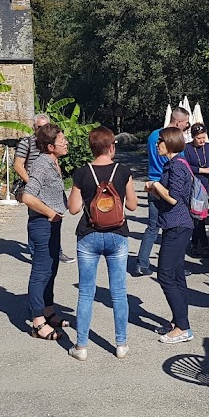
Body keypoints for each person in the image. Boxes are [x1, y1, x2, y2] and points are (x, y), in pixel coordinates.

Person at [65, 126, 138, 361]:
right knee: (118, 292)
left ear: (92, 148)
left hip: (89, 234)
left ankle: (81, 346)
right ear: (111, 147)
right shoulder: (123, 170)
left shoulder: (82, 173)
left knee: (86, 292)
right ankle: (121, 344)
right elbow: (133, 206)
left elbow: (74, 208)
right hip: (118, 234)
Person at [19, 123, 72, 341]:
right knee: (41, 271)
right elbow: (27, 196)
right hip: (42, 224)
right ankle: (37, 321)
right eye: (62, 141)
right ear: (50, 146)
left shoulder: (53, 163)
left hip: (53, 224)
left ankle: (48, 311)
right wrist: (50, 212)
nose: (66, 143)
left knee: (51, 269)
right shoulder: (42, 164)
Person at [149, 127, 195, 344]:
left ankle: (183, 327)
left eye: (160, 141)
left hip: (178, 225)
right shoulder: (172, 164)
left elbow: (174, 198)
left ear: (169, 143)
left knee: (165, 274)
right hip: (175, 224)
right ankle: (178, 321)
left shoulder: (177, 166)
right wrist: (156, 189)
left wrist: (156, 184)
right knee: (177, 275)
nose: (157, 145)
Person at [136, 107, 190, 276]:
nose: (186, 128)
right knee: (174, 225)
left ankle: (142, 263)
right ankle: (176, 266)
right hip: (164, 183)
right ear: (179, 122)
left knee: (152, 227)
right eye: (186, 124)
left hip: (153, 181)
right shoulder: (173, 141)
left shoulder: (153, 135)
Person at [15, 113, 75, 263]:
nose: (43, 129)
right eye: (40, 127)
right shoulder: (27, 143)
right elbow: (18, 165)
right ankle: (37, 252)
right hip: (34, 184)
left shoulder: (52, 145)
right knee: (36, 217)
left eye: (45, 126)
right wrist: (33, 183)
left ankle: (56, 251)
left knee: (55, 218)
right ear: (34, 127)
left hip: (47, 184)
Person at [182, 123, 209, 257]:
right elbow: (186, 166)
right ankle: (202, 244)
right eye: (199, 138)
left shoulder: (208, 147)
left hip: (207, 184)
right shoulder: (187, 148)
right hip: (194, 184)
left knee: (202, 215)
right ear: (193, 137)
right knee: (197, 215)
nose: (201, 141)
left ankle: (196, 243)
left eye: (203, 137)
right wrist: (202, 170)